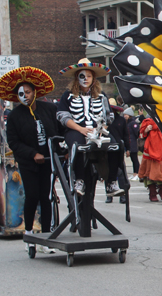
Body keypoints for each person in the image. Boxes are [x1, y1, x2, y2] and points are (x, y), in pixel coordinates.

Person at [0, 67, 60, 253]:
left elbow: (58, 130)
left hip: (48, 159)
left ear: (35, 92)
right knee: (32, 196)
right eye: (21, 93)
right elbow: (13, 142)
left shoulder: (49, 108)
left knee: (47, 197)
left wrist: (60, 149)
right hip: (29, 163)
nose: (24, 95)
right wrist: (33, 154)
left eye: (27, 92)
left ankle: (47, 235)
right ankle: (29, 234)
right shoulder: (15, 115)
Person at [56, 58, 124, 198]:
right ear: (77, 77)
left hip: (97, 130)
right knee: (77, 144)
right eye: (82, 76)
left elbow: (109, 115)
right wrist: (79, 129)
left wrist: (101, 129)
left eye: (88, 76)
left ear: (93, 78)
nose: (85, 79)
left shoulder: (101, 96)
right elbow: (62, 116)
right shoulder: (67, 95)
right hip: (76, 129)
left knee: (115, 146)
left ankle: (111, 182)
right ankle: (79, 180)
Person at [138, 116, 162, 201]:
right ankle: (152, 193)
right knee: (150, 173)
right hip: (150, 150)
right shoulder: (147, 121)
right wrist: (146, 130)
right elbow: (141, 135)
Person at [105, 99, 130, 204]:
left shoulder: (121, 120)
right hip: (106, 147)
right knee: (107, 172)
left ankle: (123, 195)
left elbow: (126, 135)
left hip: (118, 148)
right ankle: (109, 195)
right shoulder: (105, 120)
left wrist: (128, 148)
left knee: (120, 172)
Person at [122, 107, 140, 181]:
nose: (124, 116)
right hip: (129, 143)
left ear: (129, 115)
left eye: (125, 115)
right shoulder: (127, 123)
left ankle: (137, 173)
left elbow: (137, 133)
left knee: (135, 159)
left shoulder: (133, 123)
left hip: (133, 143)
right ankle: (134, 173)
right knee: (133, 159)